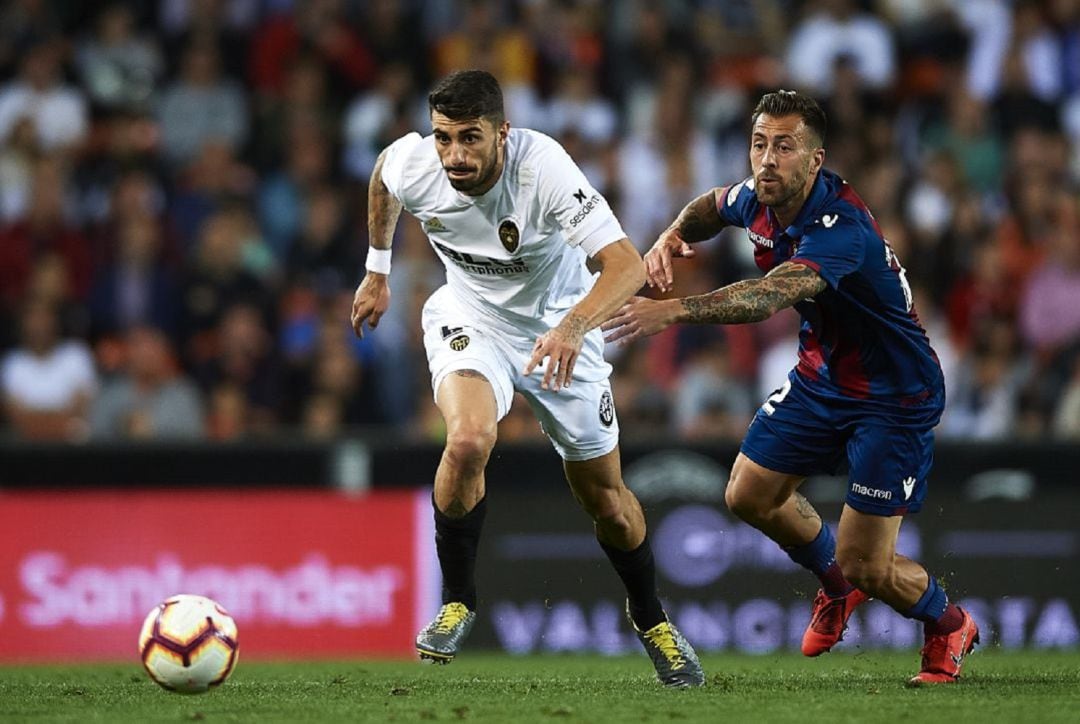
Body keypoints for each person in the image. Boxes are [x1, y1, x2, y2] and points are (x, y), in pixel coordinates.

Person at [602, 90, 978, 686]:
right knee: (747, 494)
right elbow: (712, 204)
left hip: (892, 395)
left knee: (866, 562)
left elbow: (769, 296)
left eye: (784, 146)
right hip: (823, 377)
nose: (767, 160)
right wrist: (672, 233)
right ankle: (835, 589)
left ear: (815, 158)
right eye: (759, 145)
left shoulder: (841, 227)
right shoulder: (758, 197)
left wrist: (674, 310)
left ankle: (948, 624)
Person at [350, 69, 703, 687]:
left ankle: (652, 620)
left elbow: (624, 268)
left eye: (470, 138)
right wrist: (377, 269)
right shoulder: (418, 164)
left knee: (609, 504)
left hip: (561, 333)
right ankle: (458, 600)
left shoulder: (544, 170)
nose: (454, 155)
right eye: (443, 138)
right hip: (472, 318)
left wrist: (571, 328)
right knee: (465, 441)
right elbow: (383, 171)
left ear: (502, 134)